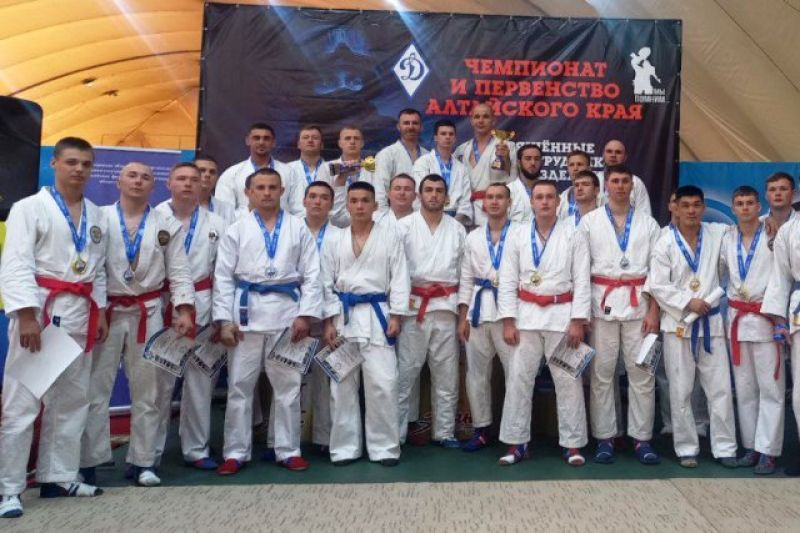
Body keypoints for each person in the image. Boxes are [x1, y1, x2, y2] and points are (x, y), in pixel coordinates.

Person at [0, 137, 107, 518]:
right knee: (23, 404)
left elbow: (97, 269)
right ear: (55, 164)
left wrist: (101, 310)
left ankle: (58, 476)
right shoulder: (29, 208)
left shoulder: (96, 214)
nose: (79, 170)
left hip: (79, 315)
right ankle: (9, 488)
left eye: (86, 164)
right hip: (42, 316)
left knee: (72, 401)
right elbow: (15, 263)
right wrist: (26, 314)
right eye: (72, 162)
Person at [80, 161, 195, 488]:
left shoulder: (166, 223)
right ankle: (89, 461)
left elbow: (179, 270)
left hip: (148, 311)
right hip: (107, 312)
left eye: (146, 176)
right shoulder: (98, 218)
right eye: (132, 175)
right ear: (119, 181)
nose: (138, 181)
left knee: (149, 390)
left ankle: (144, 461)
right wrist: (98, 309)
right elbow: (91, 268)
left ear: (154, 186)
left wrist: (184, 308)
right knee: (95, 388)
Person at [213, 168, 322, 475]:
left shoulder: (298, 227)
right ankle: (236, 451)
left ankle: (288, 450)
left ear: (282, 191)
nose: (266, 192)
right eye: (260, 187)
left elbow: (313, 274)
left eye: (272, 187)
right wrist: (224, 320)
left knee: (288, 386)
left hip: (287, 314)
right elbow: (223, 276)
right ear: (248, 192)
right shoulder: (237, 229)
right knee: (239, 386)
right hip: (245, 314)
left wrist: (305, 314)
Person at [497, 179, 591, 465]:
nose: (545, 202)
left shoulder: (574, 233)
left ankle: (572, 445)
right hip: (525, 316)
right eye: (539, 197)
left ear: (558, 202)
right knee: (518, 380)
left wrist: (578, 320)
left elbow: (582, 279)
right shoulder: (516, 234)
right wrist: (508, 320)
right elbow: (507, 279)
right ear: (531, 202)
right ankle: (516, 443)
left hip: (562, 316)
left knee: (568, 381)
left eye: (550, 197)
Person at [576, 165, 662, 465]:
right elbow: (580, 270)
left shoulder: (649, 224)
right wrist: (582, 313)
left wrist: (655, 311)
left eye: (626, 181)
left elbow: (658, 272)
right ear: (606, 185)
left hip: (640, 305)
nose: (621, 186)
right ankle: (605, 438)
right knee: (601, 373)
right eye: (615, 181)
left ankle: (642, 439)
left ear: (632, 186)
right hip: (602, 305)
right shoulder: (589, 222)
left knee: (642, 373)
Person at [648, 185, 737, 468]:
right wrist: (688, 301)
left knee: (720, 387)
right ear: (674, 207)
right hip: (678, 324)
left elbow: (748, 228)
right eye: (685, 205)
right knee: (681, 388)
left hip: (711, 324)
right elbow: (658, 285)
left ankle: (725, 447)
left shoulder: (718, 233)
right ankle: (686, 447)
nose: (691, 211)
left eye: (696, 205)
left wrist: (768, 221)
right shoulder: (663, 242)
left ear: (703, 207)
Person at [321, 181, 409, 466]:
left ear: (375, 205)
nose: (359, 206)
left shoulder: (390, 237)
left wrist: (396, 315)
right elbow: (325, 282)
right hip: (343, 317)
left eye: (365, 200)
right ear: (347, 205)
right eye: (354, 200)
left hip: (378, 315)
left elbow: (400, 277)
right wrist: (328, 321)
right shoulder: (334, 239)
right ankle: (344, 448)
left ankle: (384, 448)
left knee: (384, 383)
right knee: (341, 386)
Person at [155, 163, 227, 471]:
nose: (188, 184)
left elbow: (224, 274)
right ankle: (148, 454)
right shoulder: (154, 217)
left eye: (194, 180)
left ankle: (196, 449)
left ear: (203, 185)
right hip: (162, 305)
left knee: (201, 383)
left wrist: (222, 317)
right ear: (168, 182)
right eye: (181, 178)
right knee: (158, 386)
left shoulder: (217, 223)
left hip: (204, 304)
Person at [397, 174, 466, 447]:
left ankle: (444, 432)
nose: (434, 195)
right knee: (405, 372)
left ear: (446, 197)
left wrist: (462, 312)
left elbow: (464, 273)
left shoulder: (457, 229)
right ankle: (396, 433)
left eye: (439, 191)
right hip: (413, 307)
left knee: (447, 374)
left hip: (446, 306)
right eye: (428, 190)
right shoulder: (403, 227)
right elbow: (395, 271)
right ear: (419, 195)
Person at [720, 186, 783, 475]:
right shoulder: (726, 237)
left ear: (759, 207)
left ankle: (768, 450)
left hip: (765, 317)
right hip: (737, 320)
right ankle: (751, 447)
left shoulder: (773, 234)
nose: (745, 207)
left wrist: (778, 314)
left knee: (771, 388)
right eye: (740, 203)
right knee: (744, 389)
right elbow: (719, 273)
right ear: (733, 208)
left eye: (749, 203)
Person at [457, 182, 515, 452]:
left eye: (499, 197)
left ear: (509, 202)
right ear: (483, 204)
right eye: (490, 197)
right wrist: (463, 316)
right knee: (476, 374)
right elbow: (466, 278)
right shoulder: (473, 237)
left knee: (515, 374)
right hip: (478, 311)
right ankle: (481, 429)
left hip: (509, 312)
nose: (494, 202)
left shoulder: (521, 233)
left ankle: (515, 432)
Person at [761, 174, 800, 476]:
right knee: (799, 391)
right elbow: (780, 278)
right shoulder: (789, 231)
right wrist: (779, 320)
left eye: (782, 189)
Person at [302, 180, 344, 454]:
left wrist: (330, 319)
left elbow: (338, 280)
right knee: (290, 380)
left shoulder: (340, 235)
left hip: (329, 314)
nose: (318, 201)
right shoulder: (291, 229)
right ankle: (284, 441)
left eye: (324, 197)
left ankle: (323, 438)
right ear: (304, 200)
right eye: (313, 196)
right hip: (297, 315)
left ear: (331, 203)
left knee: (325, 379)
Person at [454, 103, 516, 226]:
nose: (481, 121)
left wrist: (506, 160)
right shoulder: (462, 149)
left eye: (486, 116)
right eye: (477, 117)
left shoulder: (507, 146)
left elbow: (512, 180)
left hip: (493, 208)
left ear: (493, 120)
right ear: (471, 121)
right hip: (465, 210)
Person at [214, 123, 290, 213]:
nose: (261, 142)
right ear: (248, 141)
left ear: (273, 142)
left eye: (266, 138)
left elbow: (298, 208)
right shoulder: (231, 174)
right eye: (256, 138)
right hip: (243, 221)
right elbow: (224, 212)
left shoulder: (289, 172)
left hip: (282, 221)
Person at [412, 120, 472, 225]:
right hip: (428, 218)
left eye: (451, 134)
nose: (447, 137)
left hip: (455, 220)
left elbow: (465, 202)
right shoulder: (422, 163)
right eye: (443, 134)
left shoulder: (462, 168)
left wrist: (453, 224)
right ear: (436, 137)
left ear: (455, 139)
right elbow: (419, 194)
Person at [328, 126, 385, 225]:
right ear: (340, 143)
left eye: (356, 138)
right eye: (347, 138)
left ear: (362, 143)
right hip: (335, 224)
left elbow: (380, 199)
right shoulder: (327, 168)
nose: (352, 142)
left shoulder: (374, 168)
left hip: (369, 223)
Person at [374, 108, 427, 199]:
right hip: (395, 207)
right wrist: (383, 209)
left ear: (421, 127)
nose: (411, 127)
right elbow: (380, 191)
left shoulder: (428, 156)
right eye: (406, 123)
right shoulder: (386, 155)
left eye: (415, 123)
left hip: (422, 207)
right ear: (398, 126)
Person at [285, 125, 332, 216]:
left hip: (325, 220)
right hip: (295, 221)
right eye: (306, 137)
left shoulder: (332, 169)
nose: (310, 140)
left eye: (315, 138)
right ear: (298, 144)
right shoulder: (287, 169)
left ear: (322, 145)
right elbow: (282, 201)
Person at [597, 140, 651, 215]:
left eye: (618, 152)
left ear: (625, 157)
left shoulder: (636, 182)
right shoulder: (595, 179)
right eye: (609, 151)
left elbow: (645, 214)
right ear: (603, 155)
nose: (613, 155)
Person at [195, 155, 237, 224]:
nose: (207, 175)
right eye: (202, 170)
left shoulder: (227, 210)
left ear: (217, 178)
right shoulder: (178, 206)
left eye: (212, 172)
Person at [508, 144, 542, 222]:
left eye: (537, 159)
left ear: (541, 162)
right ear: (519, 163)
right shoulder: (509, 191)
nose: (533, 163)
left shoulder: (549, 191)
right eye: (528, 158)